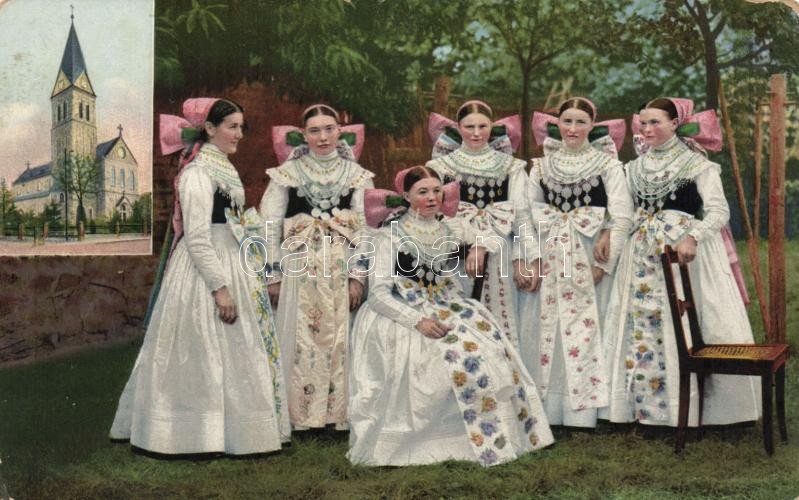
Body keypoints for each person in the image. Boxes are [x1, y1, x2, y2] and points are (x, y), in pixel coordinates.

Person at [110, 98, 289, 454]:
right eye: (232, 126)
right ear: (209, 128)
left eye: (241, 127)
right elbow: (196, 236)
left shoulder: (221, 165)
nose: (239, 134)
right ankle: (189, 434)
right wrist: (219, 289)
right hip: (205, 265)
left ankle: (236, 432)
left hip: (231, 256)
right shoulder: (197, 173)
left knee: (236, 350)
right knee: (199, 349)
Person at [347, 166, 554, 467]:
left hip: (445, 301)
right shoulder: (389, 235)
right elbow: (379, 294)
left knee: (487, 350)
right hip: (402, 309)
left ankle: (488, 436)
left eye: (436, 191)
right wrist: (417, 321)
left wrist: (478, 248)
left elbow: (492, 237)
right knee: (434, 356)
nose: (432, 198)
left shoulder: (452, 226)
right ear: (406, 196)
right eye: (422, 192)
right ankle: (422, 443)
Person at [602, 97, 760, 426]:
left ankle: (690, 408)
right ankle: (639, 408)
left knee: (686, 322)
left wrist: (693, 237)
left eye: (655, 122)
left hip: (683, 254)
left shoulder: (696, 164)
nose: (647, 129)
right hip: (640, 255)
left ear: (674, 124)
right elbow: (623, 211)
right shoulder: (632, 168)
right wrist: (608, 232)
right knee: (638, 322)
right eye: (643, 123)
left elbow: (718, 210)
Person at [519, 97, 632, 428]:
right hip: (552, 253)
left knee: (589, 325)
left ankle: (585, 410)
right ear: (557, 124)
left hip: (590, 252)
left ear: (592, 126)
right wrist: (533, 258)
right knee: (548, 325)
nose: (572, 128)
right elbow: (524, 215)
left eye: (580, 122)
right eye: (566, 121)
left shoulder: (608, 165)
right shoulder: (540, 167)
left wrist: (605, 263)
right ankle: (550, 408)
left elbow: (622, 215)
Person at [260, 104, 374, 430]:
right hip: (299, 265)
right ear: (303, 135)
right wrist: (273, 275)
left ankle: (337, 414)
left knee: (340, 336)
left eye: (329, 129)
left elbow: (365, 227)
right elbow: (269, 224)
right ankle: (300, 415)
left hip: (340, 265)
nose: (322, 137)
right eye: (314, 131)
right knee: (302, 336)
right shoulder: (287, 173)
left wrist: (358, 276)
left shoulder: (357, 175)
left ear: (339, 132)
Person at [425, 100, 532, 351]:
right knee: (458, 318)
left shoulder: (511, 167)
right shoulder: (440, 167)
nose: (476, 133)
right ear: (458, 127)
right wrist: (473, 242)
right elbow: (438, 213)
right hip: (455, 253)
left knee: (498, 318)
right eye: (469, 126)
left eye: (482, 126)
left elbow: (521, 216)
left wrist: (522, 258)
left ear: (492, 127)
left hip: (499, 250)